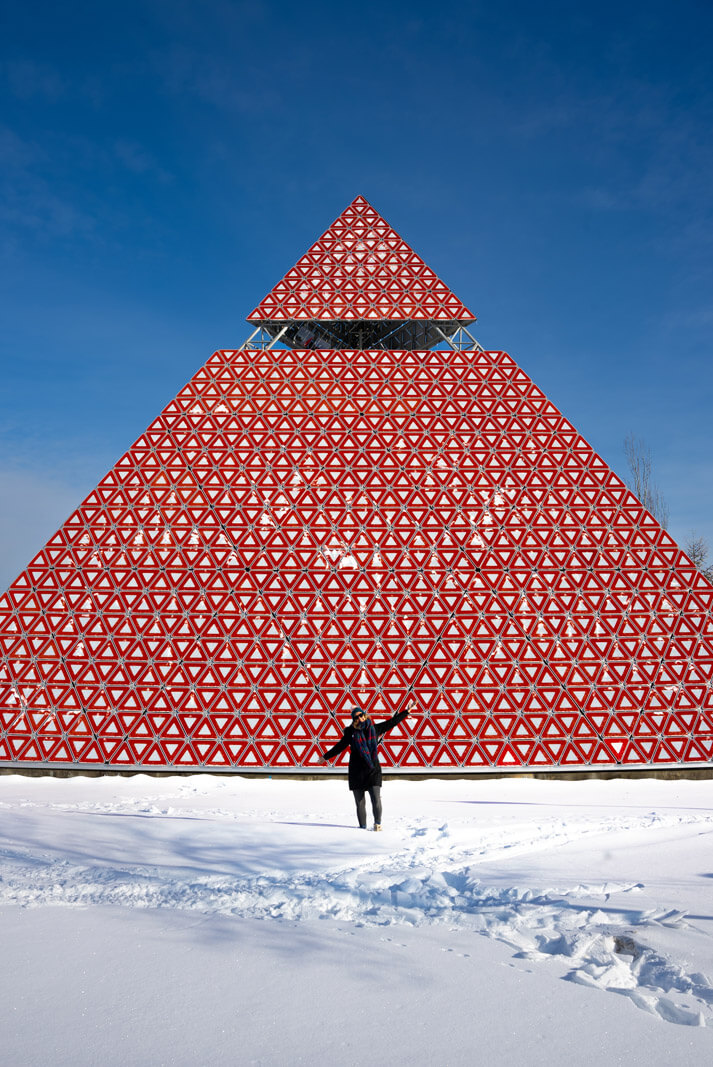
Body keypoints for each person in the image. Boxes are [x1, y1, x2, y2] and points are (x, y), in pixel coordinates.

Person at [320, 698, 415, 830]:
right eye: (357, 716)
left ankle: (378, 824)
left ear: (365, 715)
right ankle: (362, 828)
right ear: (354, 719)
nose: (361, 718)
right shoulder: (351, 733)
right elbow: (340, 746)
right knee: (360, 802)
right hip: (356, 770)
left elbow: (392, 722)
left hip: (372, 768)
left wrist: (406, 712)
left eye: (362, 715)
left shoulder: (375, 729)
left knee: (376, 798)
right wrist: (325, 757)